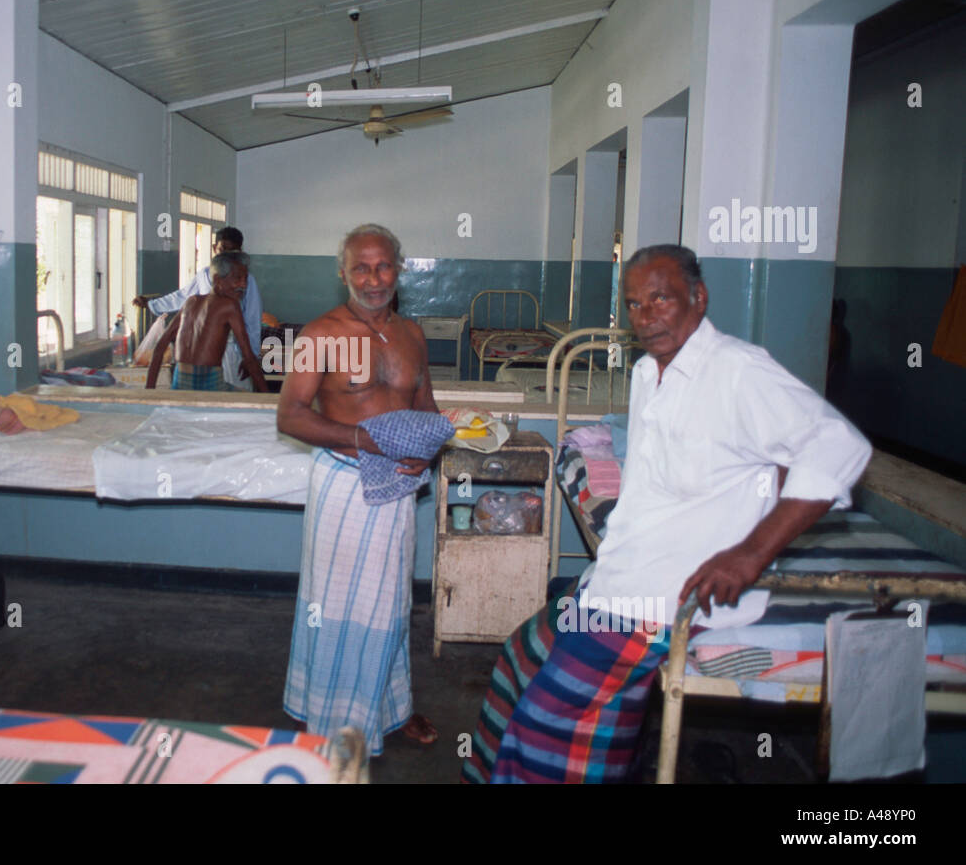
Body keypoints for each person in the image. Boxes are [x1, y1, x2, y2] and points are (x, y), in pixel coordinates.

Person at [462, 244, 872, 784]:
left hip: (665, 598)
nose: (645, 315)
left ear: (698, 299)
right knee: (518, 658)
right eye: (634, 304)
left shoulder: (736, 371)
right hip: (619, 575)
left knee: (544, 724)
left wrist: (751, 551)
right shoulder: (646, 374)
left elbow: (840, 446)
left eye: (661, 298)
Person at [277, 223, 441, 755]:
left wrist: (428, 448)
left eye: (384, 265)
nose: (373, 279)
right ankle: (332, 723)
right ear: (342, 273)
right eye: (361, 268)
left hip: (396, 488)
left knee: (390, 604)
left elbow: (425, 410)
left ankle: (390, 708)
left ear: (400, 267)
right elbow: (290, 417)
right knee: (341, 608)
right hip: (344, 488)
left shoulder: (413, 335)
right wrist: (361, 439)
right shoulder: (320, 335)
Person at [134, 226, 263, 391]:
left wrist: (251, 353)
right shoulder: (203, 276)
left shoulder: (245, 279)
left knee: (234, 399)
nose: (227, 255)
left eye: (233, 251)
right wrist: (153, 303)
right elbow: (183, 296)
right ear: (214, 248)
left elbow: (253, 319)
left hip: (234, 349)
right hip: (202, 354)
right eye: (223, 249)